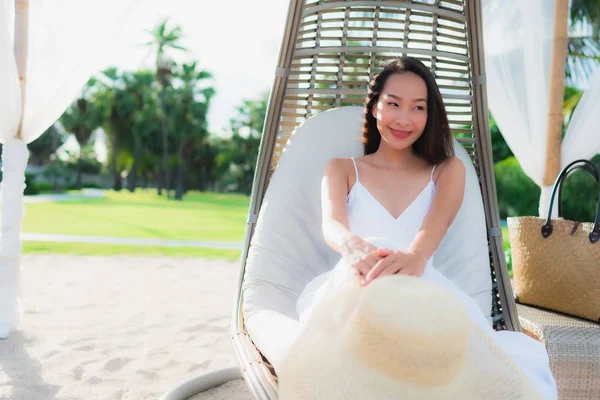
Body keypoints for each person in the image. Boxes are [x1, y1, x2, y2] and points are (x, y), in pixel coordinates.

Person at [292, 57, 557, 399]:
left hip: (423, 291)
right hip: (358, 284)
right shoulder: (341, 168)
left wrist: (414, 256)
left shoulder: (447, 170)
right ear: (374, 108)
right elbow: (332, 224)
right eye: (393, 104)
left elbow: (428, 237)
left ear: (430, 116)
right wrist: (354, 247)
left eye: (418, 107)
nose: (404, 119)